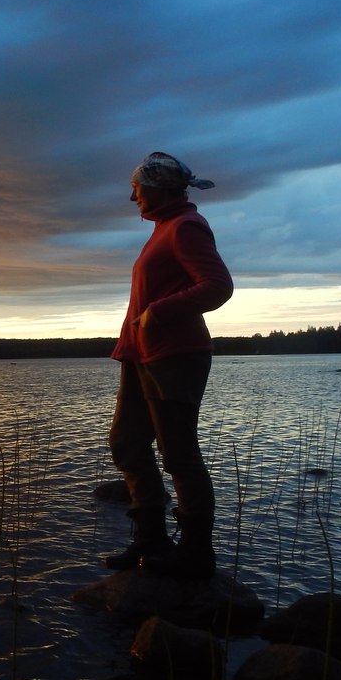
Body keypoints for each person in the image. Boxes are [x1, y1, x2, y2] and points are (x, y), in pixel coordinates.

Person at [103, 152, 233, 579]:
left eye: (137, 189)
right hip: (143, 354)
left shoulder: (187, 226)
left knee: (178, 454)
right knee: (126, 442)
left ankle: (195, 553)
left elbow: (217, 287)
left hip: (176, 354)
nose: (132, 196)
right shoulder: (164, 229)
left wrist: (158, 312)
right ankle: (151, 539)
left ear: (158, 187)